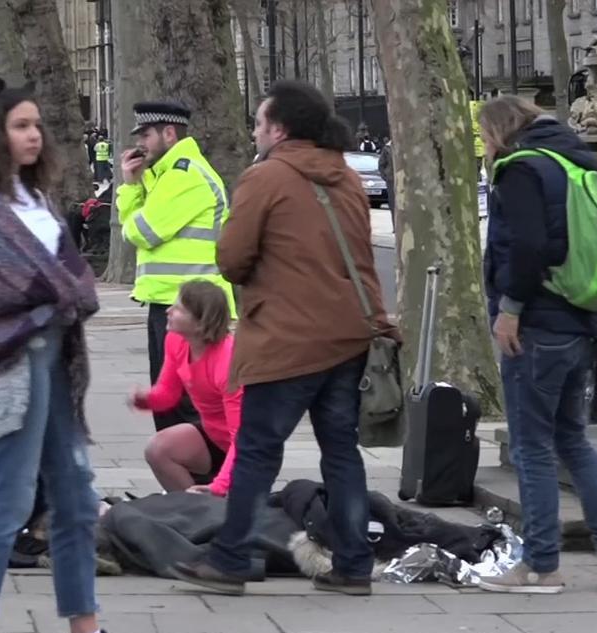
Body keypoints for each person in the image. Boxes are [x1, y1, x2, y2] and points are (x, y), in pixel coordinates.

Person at [0, 77, 154, 633]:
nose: (33, 135)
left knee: (78, 499)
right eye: (20, 125)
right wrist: (48, 299)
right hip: (11, 366)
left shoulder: (39, 202)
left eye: (36, 125)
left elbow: (74, 276)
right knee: (4, 502)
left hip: (57, 361)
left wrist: (59, 294)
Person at [172, 80, 392, 597]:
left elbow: (230, 260)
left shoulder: (265, 177)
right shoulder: (345, 178)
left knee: (256, 448)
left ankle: (230, 558)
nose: (253, 130)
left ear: (278, 128)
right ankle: (354, 564)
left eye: (257, 122)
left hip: (286, 338)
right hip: (347, 337)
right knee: (341, 451)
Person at [473, 95, 597, 594]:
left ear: (500, 131)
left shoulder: (522, 170)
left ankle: (541, 564)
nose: (483, 145)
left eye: (483, 135)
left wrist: (511, 310)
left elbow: (527, 246)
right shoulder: (576, 163)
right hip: (579, 321)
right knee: (574, 441)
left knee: (532, 448)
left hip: (537, 325)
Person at [116, 100, 235, 432]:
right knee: (171, 403)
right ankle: (188, 477)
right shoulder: (167, 175)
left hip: (190, 305)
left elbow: (142, 232)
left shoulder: (184, 175)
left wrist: (129, 189)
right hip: (175, 302)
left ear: (169, 133)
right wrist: (134, 187)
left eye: (146, 134)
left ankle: (203, 479)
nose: (140, 143)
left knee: (185, 408)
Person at [128, 279, 240, 496]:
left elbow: (243, 437)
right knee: (158, 449)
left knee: (230, 500)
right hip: (214, 434)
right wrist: (145, 400)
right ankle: (196, 510)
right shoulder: (176, 340)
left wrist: (220, 485)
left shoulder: (227, 362)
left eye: (178, 308)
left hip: (248, 448)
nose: (168, 311)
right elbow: (168, 394)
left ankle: (213, 508)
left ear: (200, 322)